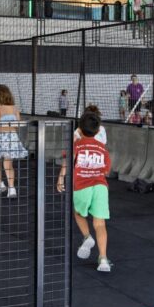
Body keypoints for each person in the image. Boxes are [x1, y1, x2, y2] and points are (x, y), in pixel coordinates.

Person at [57, 112, 112, 272]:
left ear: (79, 129)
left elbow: (67, 162)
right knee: (100, 223)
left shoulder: (77, 145)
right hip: (101, 187)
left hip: (82, 186)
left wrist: (61, 178)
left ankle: (87, 237)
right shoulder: (102, 148)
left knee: (78, 213)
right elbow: (107, 171)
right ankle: (103, 259)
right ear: (97, 131)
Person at [0, 85, 28, 199]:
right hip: (12, 137)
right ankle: (11, 188)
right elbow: (18, 125)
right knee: (8, 163)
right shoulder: (15, 108)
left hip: (0, 136)